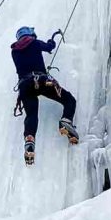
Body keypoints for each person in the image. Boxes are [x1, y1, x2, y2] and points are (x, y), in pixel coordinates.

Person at [11, 26, 79, 166]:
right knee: (68, 99)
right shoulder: (34, 43)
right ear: (30, 34)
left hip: (25, 86)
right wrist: (51, 41)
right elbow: (49, 47)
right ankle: (66, 120)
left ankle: (29, 139)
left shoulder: (14, 51)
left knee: (31, 115)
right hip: (41, 81)